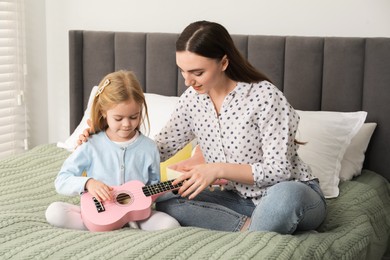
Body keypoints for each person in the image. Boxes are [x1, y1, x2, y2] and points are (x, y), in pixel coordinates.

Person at [80, 21, 327, 234]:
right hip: (237, 200)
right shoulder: (192, 100)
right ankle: (249, 229)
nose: (188, 81)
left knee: (285, 197)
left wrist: (216, 169)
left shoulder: (264, 97)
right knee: (168, 199)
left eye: (197, 72)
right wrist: (106, 143)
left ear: (224, 62)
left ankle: (257, 230)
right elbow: (159, 149)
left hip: (290, 193)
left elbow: (279, 171)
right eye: (182, 71)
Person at [46, 70, 180, 231]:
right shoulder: (91, 144)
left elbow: (153, 187)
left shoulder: (149, 148)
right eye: (118, 118)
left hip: (137, 216)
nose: (126, 124)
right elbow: (62, 181)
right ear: (104, 112)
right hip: (98, 211)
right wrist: (89, 183)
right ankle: (99, 223)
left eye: (133, 117)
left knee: (170, 225)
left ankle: (114, 225)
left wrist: (173, 188)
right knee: (55, 212)